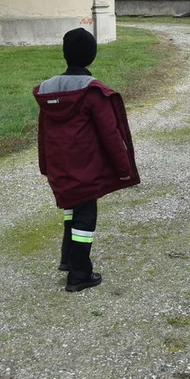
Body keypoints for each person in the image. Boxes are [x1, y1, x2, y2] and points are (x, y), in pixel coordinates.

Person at [34, 28, 139, 292]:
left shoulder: (48, 91)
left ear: (64, 54)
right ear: (91, 56)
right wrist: (123, 167)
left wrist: (45, 165)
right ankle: (80, 273)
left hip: (61, 166)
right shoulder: (93, 93)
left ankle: (68, 260)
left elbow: (42, 133)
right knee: (85, 217)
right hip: (86, 167)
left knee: (72, 209)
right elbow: (111, 134)